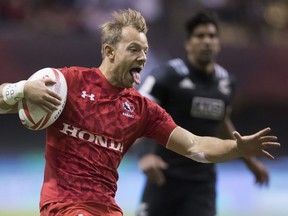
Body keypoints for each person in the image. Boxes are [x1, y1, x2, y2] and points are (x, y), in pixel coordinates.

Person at [0, 9, 279, 216]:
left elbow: (195, 145)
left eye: (144, 51)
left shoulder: (141, 109)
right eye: (134, 49)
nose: (143, 57)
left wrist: (237, 148)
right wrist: (23, 89)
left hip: (107, 209)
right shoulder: (67, 84)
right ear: (109, 52)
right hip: (63, 207)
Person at [136, 12, 271, 216]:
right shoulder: (167, 76)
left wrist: (249, 160)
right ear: (188, 43)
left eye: (212, 36)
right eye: (200, 36)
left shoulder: (226, 83)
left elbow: (222, 121)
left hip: (202, 183)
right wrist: (145, 154)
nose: (207, 41)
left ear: (218, 43)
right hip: (163, 177)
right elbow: (139, 114)